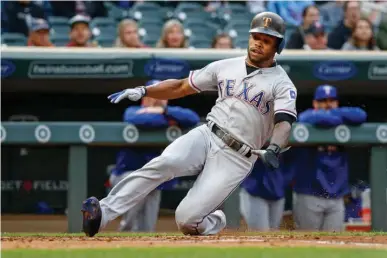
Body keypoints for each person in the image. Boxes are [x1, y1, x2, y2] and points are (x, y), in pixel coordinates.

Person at [82, 12, 298, 237]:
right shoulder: (226, 66)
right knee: (164, 163)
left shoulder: (282, 83)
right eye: (256, 37)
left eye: (266, 40)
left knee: (186, 220)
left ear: (277, 46)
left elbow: (284, 122)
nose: (258, 43)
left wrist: (274, 148)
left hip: (237, 156)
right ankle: (102, 213)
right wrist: (145, 90)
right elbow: (182, 86)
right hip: (208, 134)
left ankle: (214, 220)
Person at [110, 79, 200, 232]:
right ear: (145, 98)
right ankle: (125, 232)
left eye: (162, 96)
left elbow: (192, 118)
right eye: (156, 96)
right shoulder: (132, 110)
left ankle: (142, 242)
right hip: (127, 174)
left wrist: (164, 111)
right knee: (141, 189)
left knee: (147, 227)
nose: (159, 100)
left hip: (155, 177)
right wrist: (166, 118)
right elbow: (138, 119)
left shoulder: (170, 113)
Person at [292, 85, 367, 232]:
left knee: (334, 244)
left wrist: (332, 114)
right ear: (315, 103)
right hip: (310, 194)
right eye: (323, 101)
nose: (328, 104)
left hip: (336, 196)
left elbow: (361, 115)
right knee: (307, 245)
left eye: (332, 100)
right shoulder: (308, 117)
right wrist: (335, 117)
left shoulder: (341, 116)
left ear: (337, 102)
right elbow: (307, 117)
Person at [239, 153, 294, 231]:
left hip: (277, 189)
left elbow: (293, 158)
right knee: (260, 234)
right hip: (254, 189)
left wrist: (282, 180)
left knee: (273, 234)